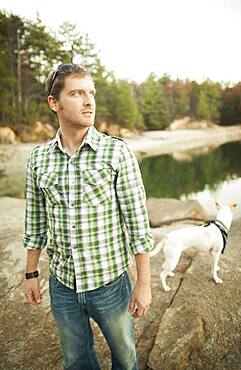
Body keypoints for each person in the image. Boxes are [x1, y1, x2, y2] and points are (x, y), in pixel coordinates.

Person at [23, 63, 153, 370]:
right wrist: (30, 274)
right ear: (54, 103)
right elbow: (35, 222)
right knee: (76, 361)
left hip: (109, 284)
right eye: (77, 93)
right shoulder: (38, 159)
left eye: (91, 93)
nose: (89, 101)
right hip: (63, 286)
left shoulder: (116, 152)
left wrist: (143, 283)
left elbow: (138, 223)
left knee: (126, 359)